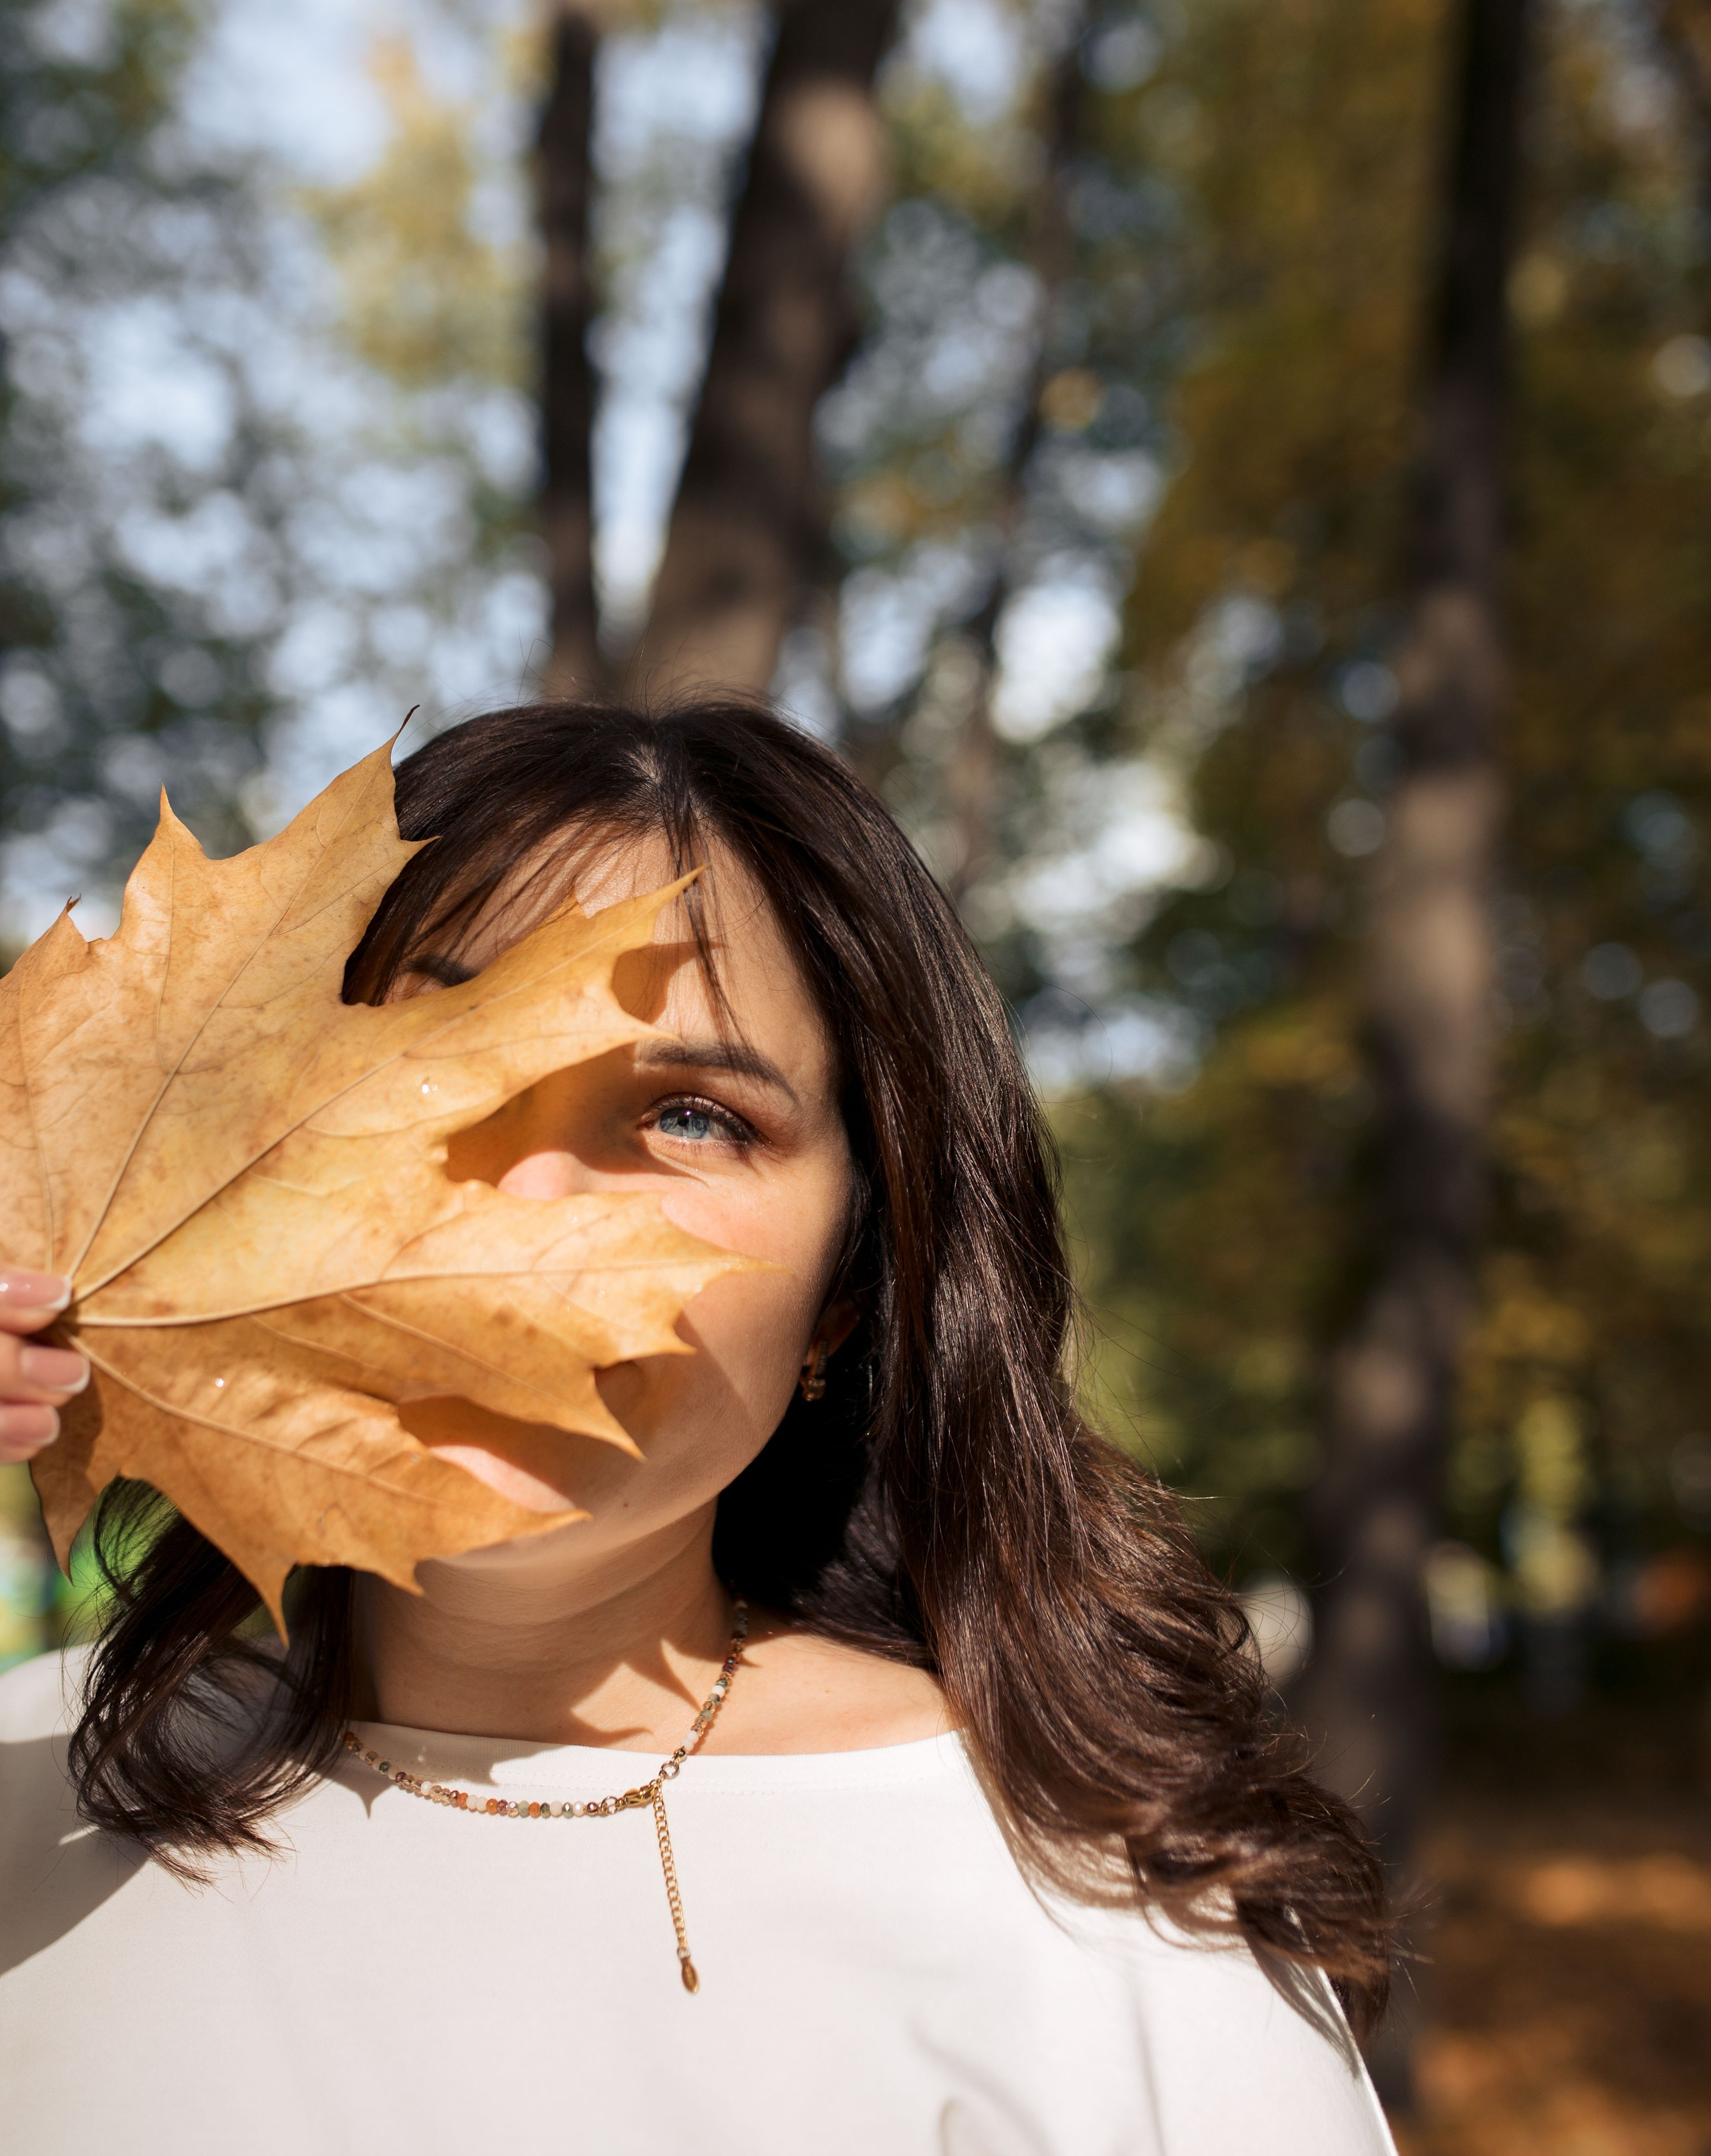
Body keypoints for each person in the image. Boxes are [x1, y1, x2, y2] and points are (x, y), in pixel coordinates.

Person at [0, 702, 1396, 2155]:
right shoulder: (28, 1786)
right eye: (431, 1054)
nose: (527, 1207)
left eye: (691, 1116)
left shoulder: (1107, 1937)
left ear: (845, 1293)